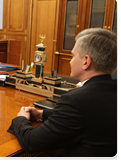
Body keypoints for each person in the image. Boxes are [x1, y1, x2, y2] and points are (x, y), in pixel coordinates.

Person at [8, 28, 119, 159]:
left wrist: (21, 119)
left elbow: (32, 142)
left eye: (73, 56)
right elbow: (87, 117)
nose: (70, 61)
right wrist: (42, 114)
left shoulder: (75, 100)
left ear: (86, 61)